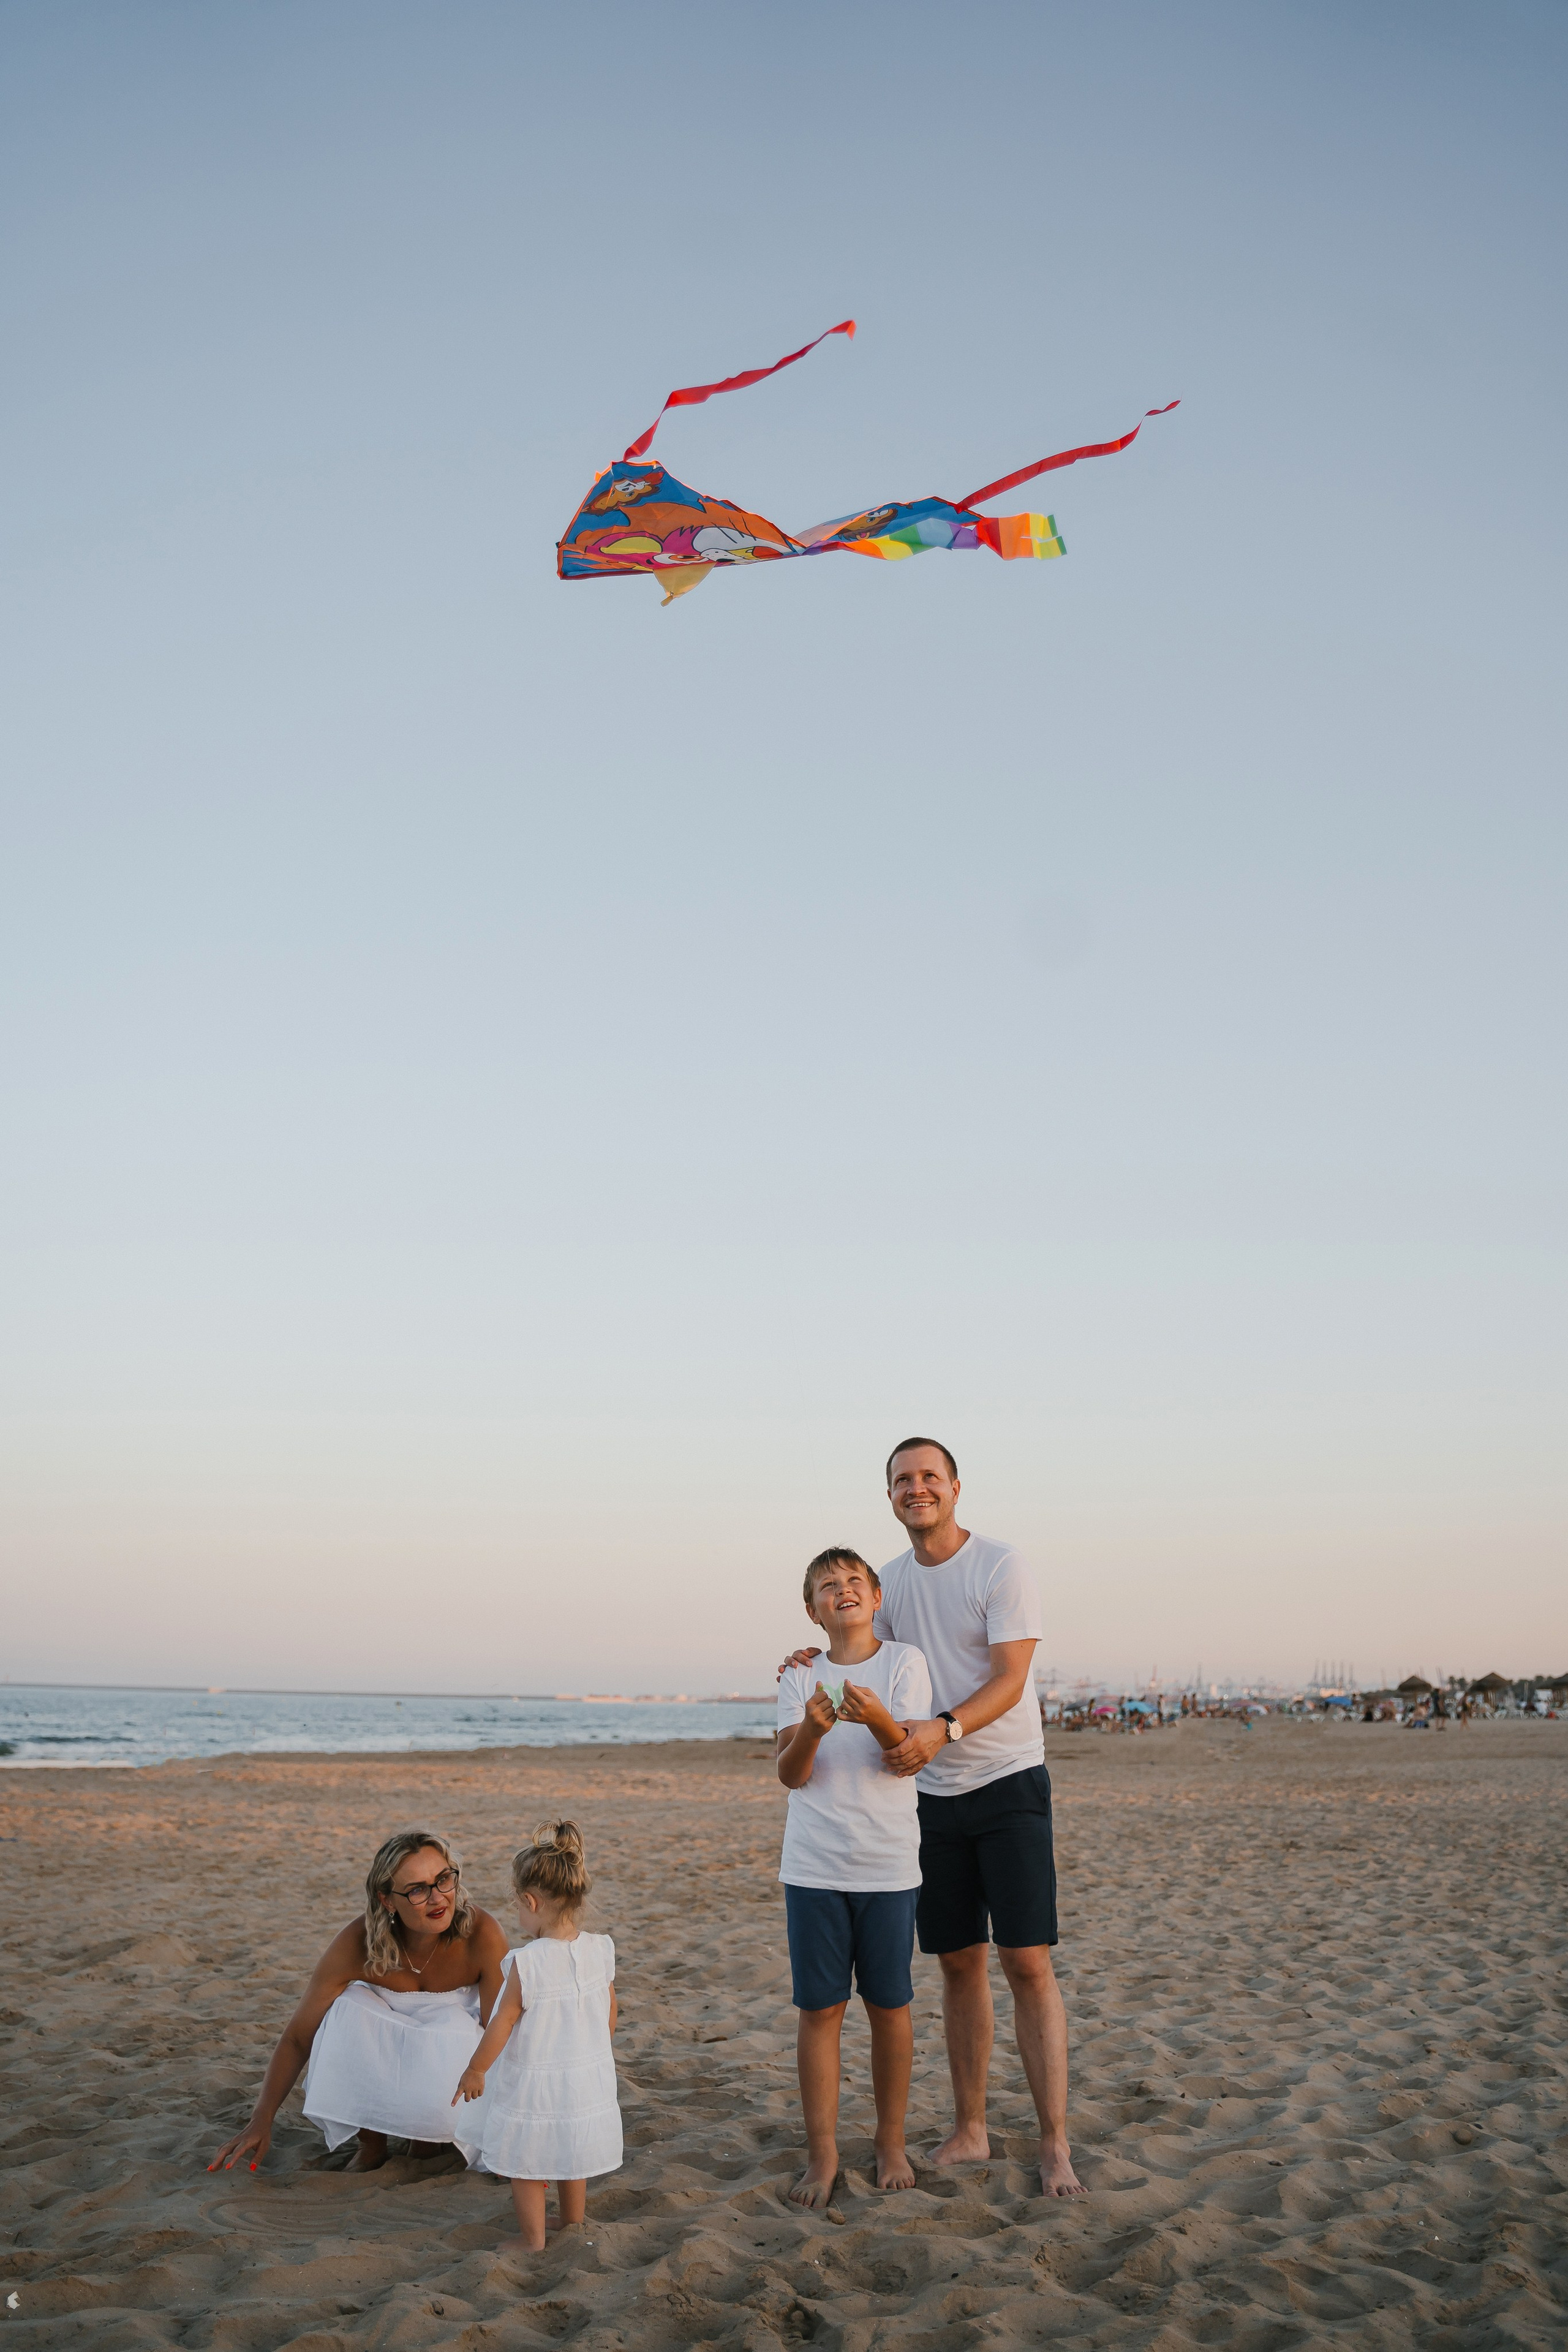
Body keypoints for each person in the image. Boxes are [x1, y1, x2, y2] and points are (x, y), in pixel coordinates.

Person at [781, 1438, 1084, 2198]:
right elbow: (852, 1641)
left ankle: (1054, 2145)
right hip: (927, 1801)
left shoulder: (999, 1565)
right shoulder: (882, 1581)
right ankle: (971, 2129)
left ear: (953, 1487)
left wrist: (941, 1729)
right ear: (889, 1496)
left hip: (1006, 1778)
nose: (916, 1489)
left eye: (928, 1477)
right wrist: (806, 1658)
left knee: (1027, 1962)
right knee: (957, 1964)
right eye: (901, 1481)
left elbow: (1012, 1679)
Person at [775, 1547, 933, 2206]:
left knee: (890, 2007)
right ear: (812, 1610)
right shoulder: (798, 1676)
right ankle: (823, 2153)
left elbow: (907, 1758)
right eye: (825, 1586)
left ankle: (890, 2141)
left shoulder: (903, 1663)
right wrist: (810, 1731)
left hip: (887, 1866)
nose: (840, 1590)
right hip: (813, 1866)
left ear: (875, 1599)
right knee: (820, 2010)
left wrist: (872, 1716)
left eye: (852, 1582)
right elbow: (789, 1773)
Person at [208, 1828, 508, 2174]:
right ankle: (372, 2144)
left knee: (454, 2025)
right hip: (385, 2052)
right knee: (347, 2006)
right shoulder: (358, 1942)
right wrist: (261, 2120)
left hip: (451, 2058)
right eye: (417, 1890)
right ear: (387, 1900)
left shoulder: (481, 1932)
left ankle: (429, 2138)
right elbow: (298, 2037)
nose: (438, 1898)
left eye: (444, 1879)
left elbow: (500, 2030)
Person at [451, 1820, 622, 2252]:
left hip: (537, 2080)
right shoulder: (599, 1948)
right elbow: (609, 2009)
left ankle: (532, 2242)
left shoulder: (528, 1963)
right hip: (584, 2076)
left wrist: (476, 2069)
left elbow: (503, 2022)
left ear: (530, 1901)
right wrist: (593, 2049)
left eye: (518, 1908)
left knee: (527, 2161)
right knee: (571, 2148)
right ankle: (572, 2219)